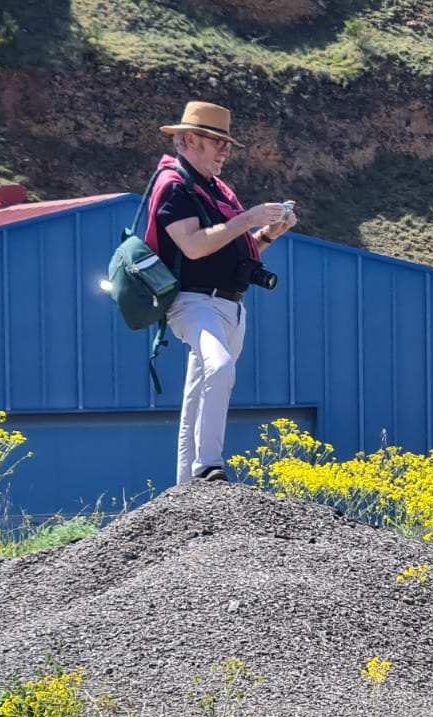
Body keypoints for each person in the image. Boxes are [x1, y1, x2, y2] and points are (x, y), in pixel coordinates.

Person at [148, 101, 297, 484]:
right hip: (193, 302)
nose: (226, 152)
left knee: (198, 394)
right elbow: (195, 246)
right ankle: (209, 466)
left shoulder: (214, 189)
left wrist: (265, 235)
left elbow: (230, 252)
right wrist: (246, 219)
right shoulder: (174, 186)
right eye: (218, 142)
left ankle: (185, 488)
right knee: (220, 367)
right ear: (190, 140)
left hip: (230, 304)